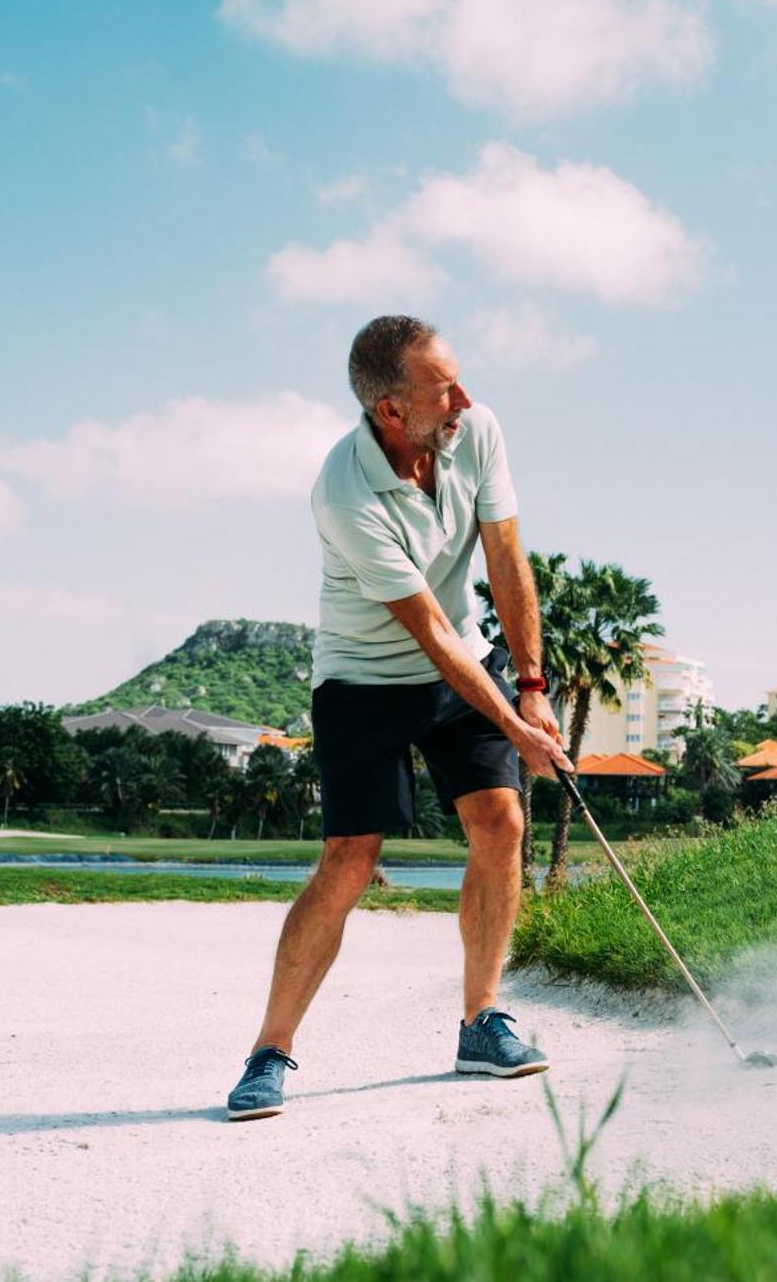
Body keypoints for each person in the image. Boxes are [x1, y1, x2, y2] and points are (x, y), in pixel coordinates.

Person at [226, 315, 574, 1121]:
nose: (465, 397)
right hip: (365, 679)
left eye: (459, 377)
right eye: (443, 387)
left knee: (502, 824)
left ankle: (481, 1022)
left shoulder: (475, 430)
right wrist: (518, 730)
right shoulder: (343, 492)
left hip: (466, 665)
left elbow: (504, 558)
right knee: (350, 860)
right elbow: (431, 635)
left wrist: (531, 683)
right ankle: (267, 1052)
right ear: (391, 408)